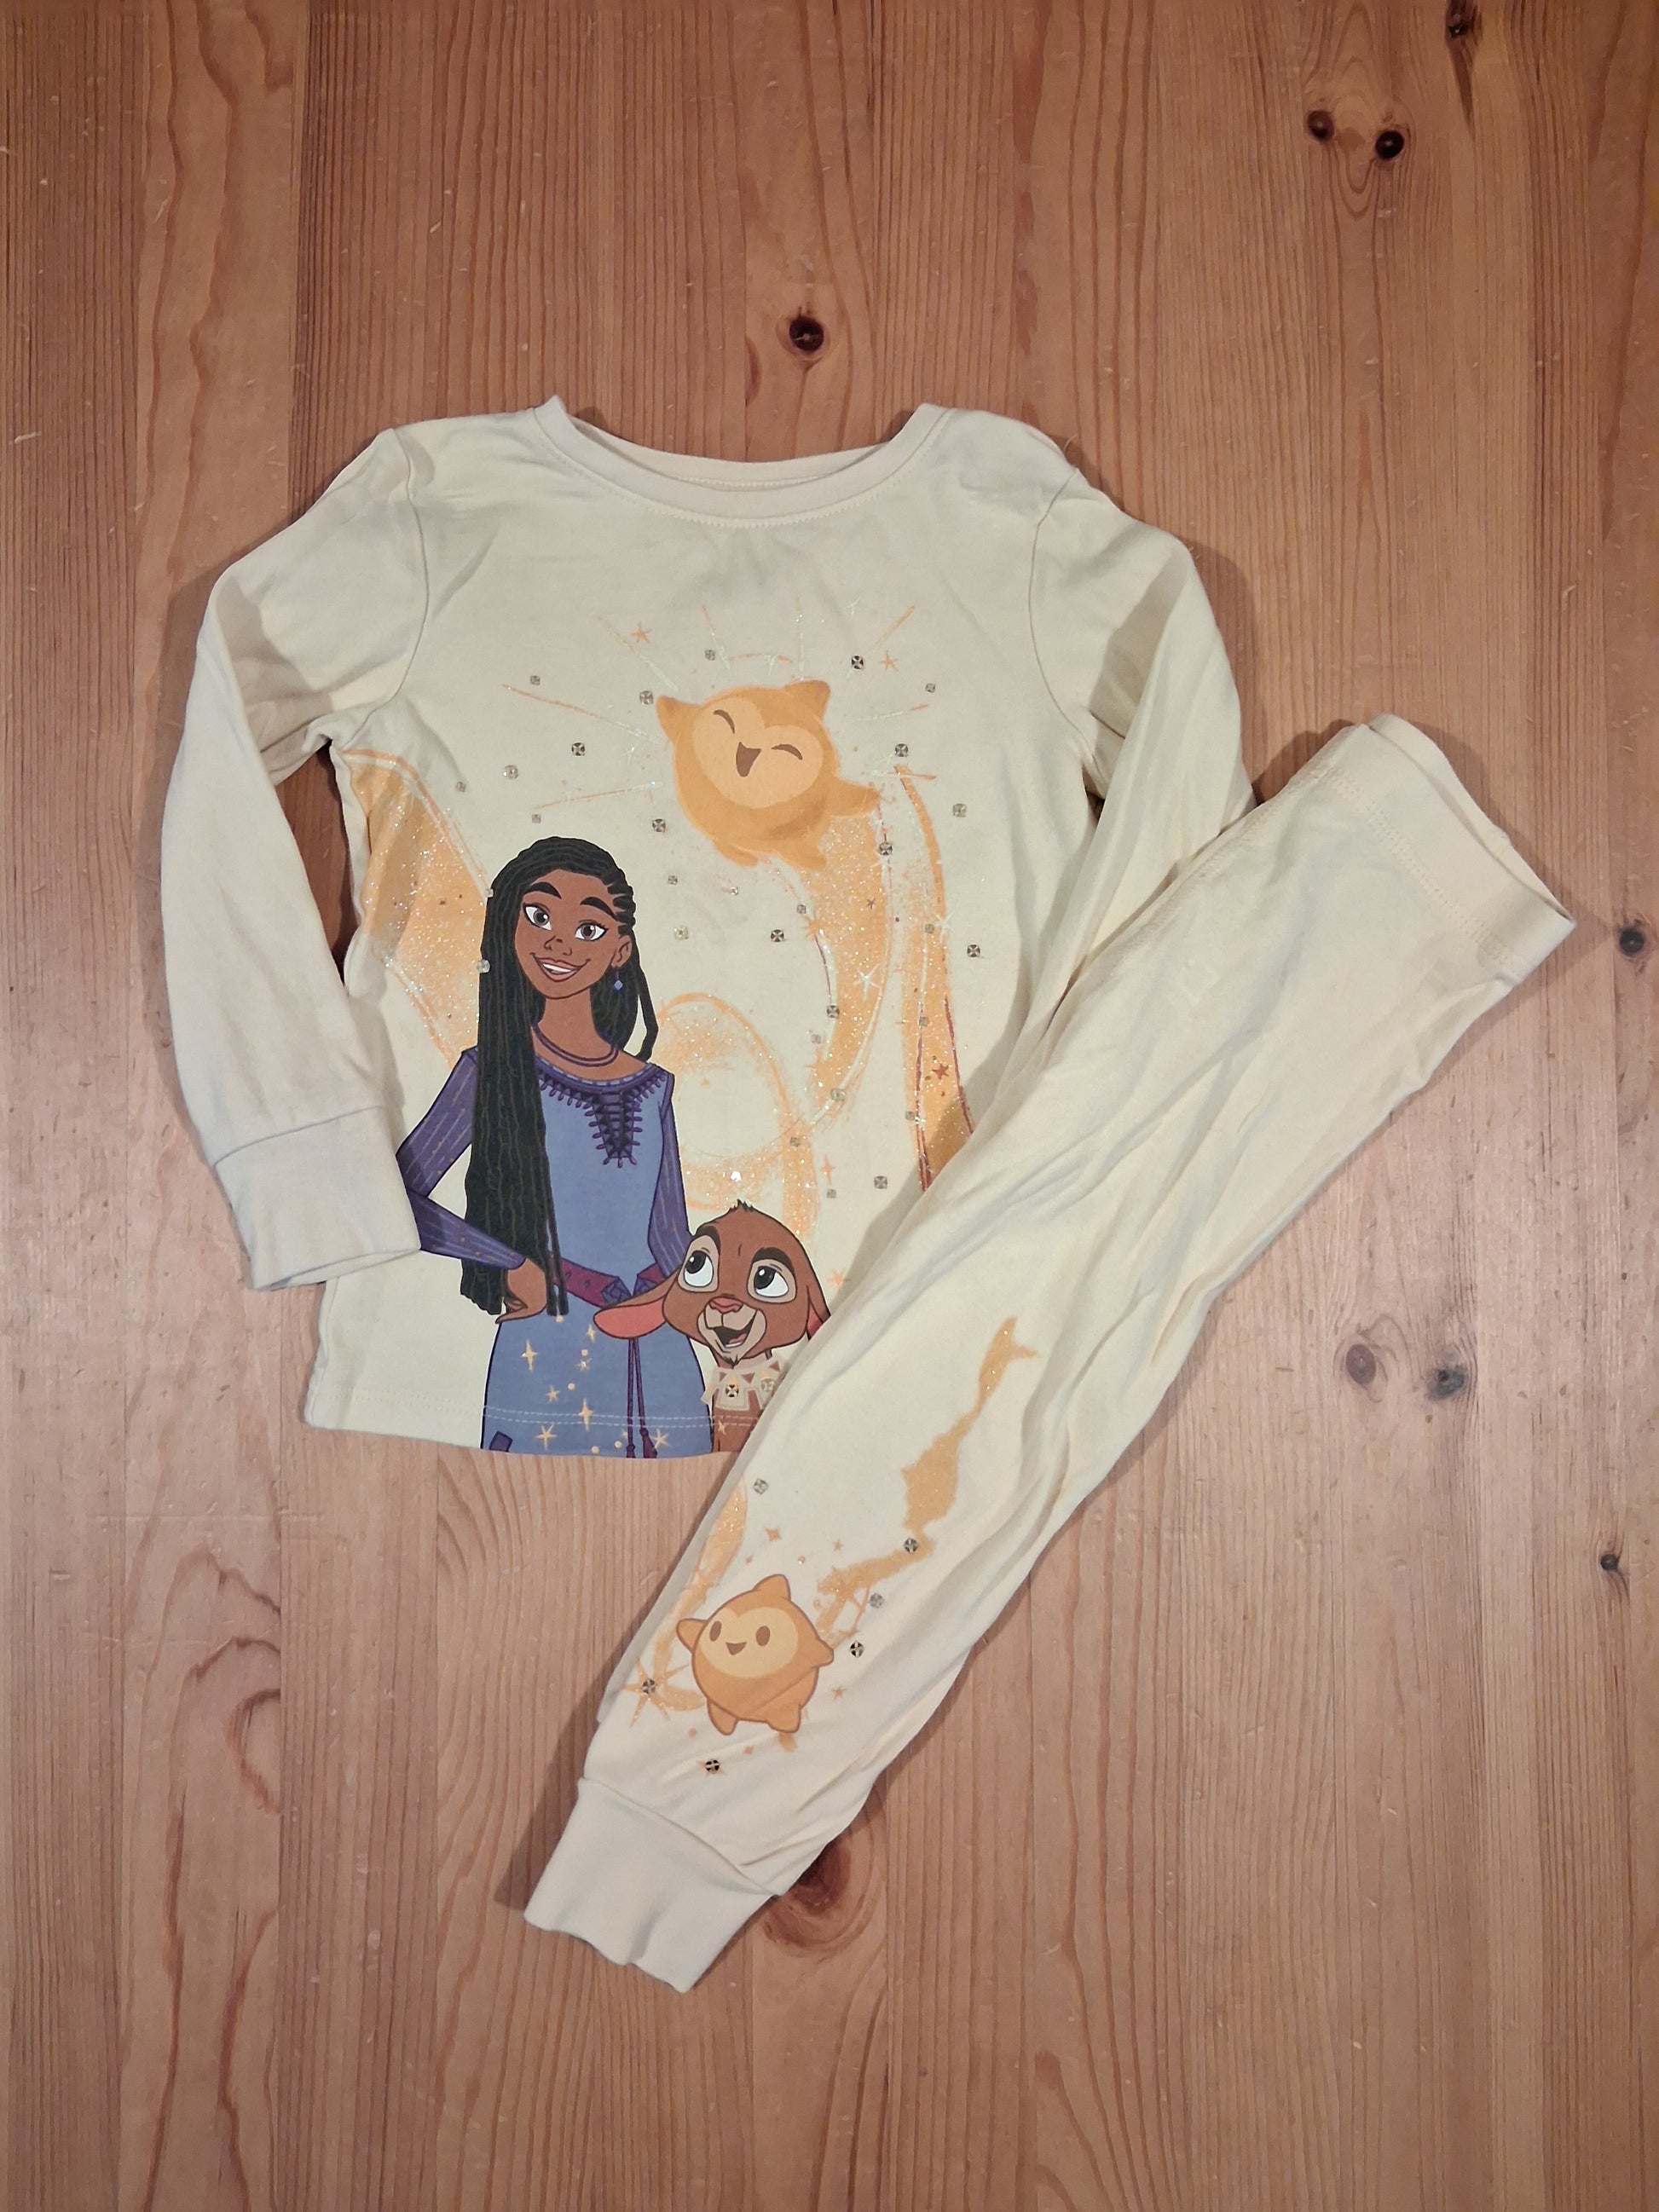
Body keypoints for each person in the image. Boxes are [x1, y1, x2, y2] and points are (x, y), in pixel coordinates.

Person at [395, 835, 714, 1458]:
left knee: (680, 1499)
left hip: (661, 1350)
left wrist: (713, 1311)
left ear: (620, 949)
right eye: (539, 916)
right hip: (549, 1341)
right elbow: (393, 1196)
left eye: (588, 929)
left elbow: (670, 1236)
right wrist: (506, 1262)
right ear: (509, 926)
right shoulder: (490, 1072)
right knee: (529, 1502)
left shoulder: (652, 1087)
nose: (559, 942)